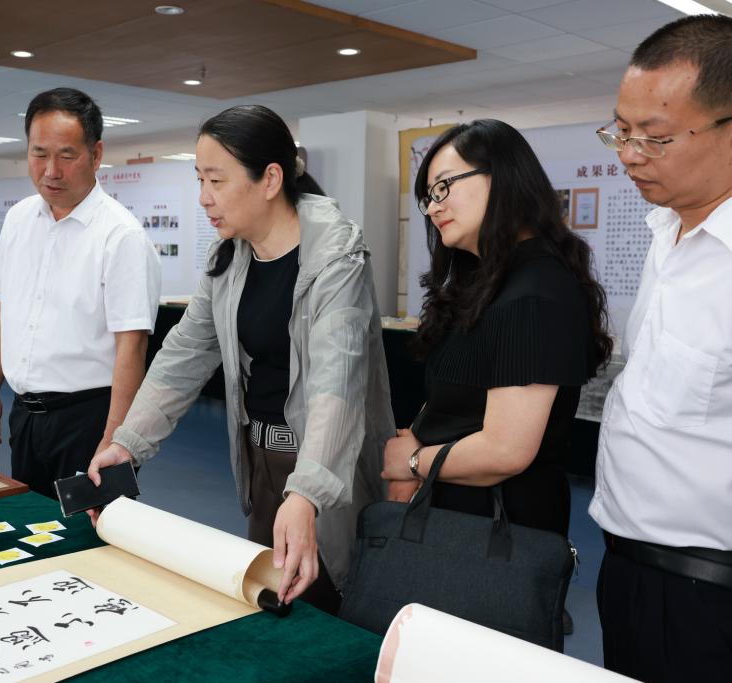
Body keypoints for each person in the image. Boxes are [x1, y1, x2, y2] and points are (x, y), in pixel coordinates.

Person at [87, 104, 394, 614]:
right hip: (262, 464)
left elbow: (335, 385)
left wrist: (307, 493)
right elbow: (184, 355)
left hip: (327, 467)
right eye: (199, 179)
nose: (204, 197)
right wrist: (128, 443)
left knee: (332, 607)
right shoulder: (229, 257)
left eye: (217, 180)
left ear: (270, 179)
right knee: (269, 604)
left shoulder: (336, 259)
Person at [382, 119, 611, 545]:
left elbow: (505, 451)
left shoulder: (535, 292)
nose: (433, 208)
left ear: (503, 178)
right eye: (429, 197)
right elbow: (457, 398)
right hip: (455, 514)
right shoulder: (487, 281)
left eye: (444, 187)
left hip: (495, 531)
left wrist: (413, 462)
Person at [588, 16, 732, 682]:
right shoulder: (666, 230)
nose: (629, 154)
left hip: (708, 593)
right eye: (621, 131)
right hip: (630, 568)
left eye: (655, 137)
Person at [0, 87, 161, 499]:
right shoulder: (19, 219)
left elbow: (131, 347)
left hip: (89, 420)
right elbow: (2, 309)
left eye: (66, 155)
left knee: (91, 531)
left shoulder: (121, 236)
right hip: (26, 416)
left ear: (96, 154)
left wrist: (113, 440)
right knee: (32, 525)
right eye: (39, 154)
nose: (51, 171)